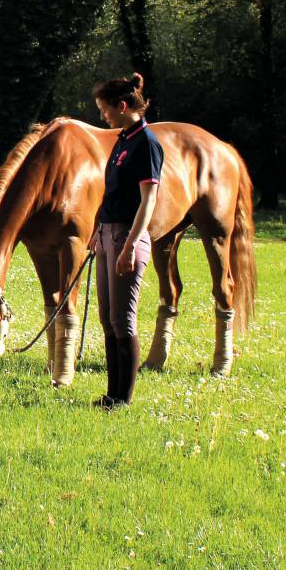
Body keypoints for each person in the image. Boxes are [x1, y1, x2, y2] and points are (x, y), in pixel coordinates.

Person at [91, 72, 163, 409]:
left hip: (126, 237)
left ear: (122, 106)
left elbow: (148, 200)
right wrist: (96, 230)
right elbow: (111, 192)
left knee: (123, 319)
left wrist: (131, 244)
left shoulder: (147, 143)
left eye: (105, 110)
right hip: (106, 234)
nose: (103, 116)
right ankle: (111, 394)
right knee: (107, 318)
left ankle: (124, 398)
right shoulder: (122, 139)